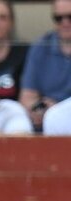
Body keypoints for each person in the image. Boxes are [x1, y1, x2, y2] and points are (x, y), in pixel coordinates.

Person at [18, 0, 71, 132]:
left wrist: (57, 109)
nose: (65, 23)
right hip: (48, 125)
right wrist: (38, 109)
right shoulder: (41, 47)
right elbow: (27, 97)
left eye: (70, 17)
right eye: (59, 18)